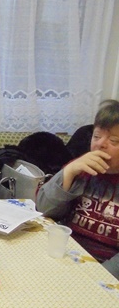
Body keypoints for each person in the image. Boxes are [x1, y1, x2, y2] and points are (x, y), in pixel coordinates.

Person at [37, 99, 119, 279]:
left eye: (113, 140)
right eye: (96, 137)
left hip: (104, 272)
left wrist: (97, 277)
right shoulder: (82, 169)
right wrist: (69, 171)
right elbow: (44, 209)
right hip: (65, 255)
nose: (101, 144)